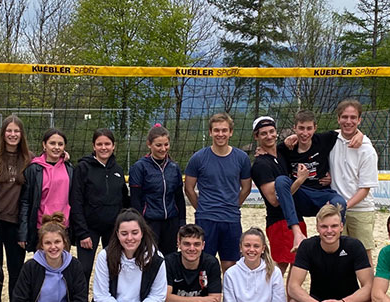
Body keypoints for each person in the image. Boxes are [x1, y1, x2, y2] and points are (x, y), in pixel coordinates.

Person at [286, 204, 375, 302]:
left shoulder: (354, 246)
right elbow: (293, 286)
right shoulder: (308, 246)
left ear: (342, 227)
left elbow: (369, 287)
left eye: (334, 226)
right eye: (324, 226)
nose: (329, 231)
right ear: (317, 228)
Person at [276, 110, 359, 252]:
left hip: (321, 194)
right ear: (294, 128)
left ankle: (333, 244)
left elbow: (347, 128)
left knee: (339, 202)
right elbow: (270, 152)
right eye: (301, 128)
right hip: (300, 195)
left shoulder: (323, 140)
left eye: (309, 128)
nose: (305, 133)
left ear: (315, 128)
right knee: (281, 180)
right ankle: (297, 234)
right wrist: (300, 179)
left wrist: (359, 134)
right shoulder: (285, 148)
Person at [89, 209, 169, 302]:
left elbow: (158, 296)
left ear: (142, 233)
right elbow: (101, 295)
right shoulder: (105, 256)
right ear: (117, 234)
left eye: (135, 232)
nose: (130, 238)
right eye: (124, 233)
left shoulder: (155, 257)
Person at [184, 112, 252, 271]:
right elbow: (188, 188)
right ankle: (205, 297)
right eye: (216, 130)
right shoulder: (198, 158)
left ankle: (228, 297)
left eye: (224, 130)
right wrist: (201, 208)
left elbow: (246, 188)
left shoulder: (241, 158)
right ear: (210, 132)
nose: (220, 134)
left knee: (230, 266)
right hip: (206, 218)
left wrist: (233, 205)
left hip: (231, 219)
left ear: (231, 132)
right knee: (204, 265)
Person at [70, 128, 130, 281]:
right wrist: (82, 233)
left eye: (107, 144)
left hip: (112, 228)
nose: (104, 147)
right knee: (84, 269)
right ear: (93, 146)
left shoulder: (117, 169)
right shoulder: (83, 168)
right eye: (100, 144)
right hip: (89, 228)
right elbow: (76, 201)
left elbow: (123, 200)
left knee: (114, 268)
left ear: (113, 146)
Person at [250, 116, 306, 271]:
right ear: (256, 136)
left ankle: (290, 297)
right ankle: (268, 296)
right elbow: (275, 200)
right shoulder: (260, 165)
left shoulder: (281, 152)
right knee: (279, 267)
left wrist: (295, 135)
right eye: (263, 133)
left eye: (271, 131)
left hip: (294, 216)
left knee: (298, 266)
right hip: (279, 222)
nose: (269, 136)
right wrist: (299, 181)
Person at [328, 100, 379, 257]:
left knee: (363, 256)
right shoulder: (330, 140)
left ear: (359, 120)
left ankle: (368, 283)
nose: (348, 121)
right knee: (335, 256)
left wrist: (343, 206)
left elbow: (364, 189)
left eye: (353, 117)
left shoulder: (367, 149)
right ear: (338, 119)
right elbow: (307, 135)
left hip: (361, 210)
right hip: (336, 208)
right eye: (344, 117)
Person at [0, 115, 31, 298]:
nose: (13, 134)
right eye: (9, 130)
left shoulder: (29, 159)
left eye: (16, 131)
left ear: (21, 134)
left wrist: (64, 156)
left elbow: (50, 161)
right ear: (3, 133)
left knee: (16, 269)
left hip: (16, 223)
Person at [129, 124, 186, 255]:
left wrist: (182, 222)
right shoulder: (139, 167)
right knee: (150, 258)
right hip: (150, 221)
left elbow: (179, 197)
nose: (163, 149)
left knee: (169, 258)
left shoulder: (173, 167)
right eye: (158, 145)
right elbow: (135, 199)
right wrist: (139, 223)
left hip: (171, 220)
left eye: (166, 144)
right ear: (149, 144)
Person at [164, 224, 222, 302]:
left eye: (196, 244)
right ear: (179, 244)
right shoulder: (169, 261)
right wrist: (201, 300)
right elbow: (166, 299)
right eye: (186, 244)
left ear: (203, 245)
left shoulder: (211, 263)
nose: (192, 248)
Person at [18, 129, 72, 253]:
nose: (56, 147)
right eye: (52, 143)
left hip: (63, 227)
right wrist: (23, 232)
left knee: (62, 266)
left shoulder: (69, 168)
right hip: (41, 227)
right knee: (42, 267)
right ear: (44, 145)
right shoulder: (33, 169)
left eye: (60, 144)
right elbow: (25, 202)